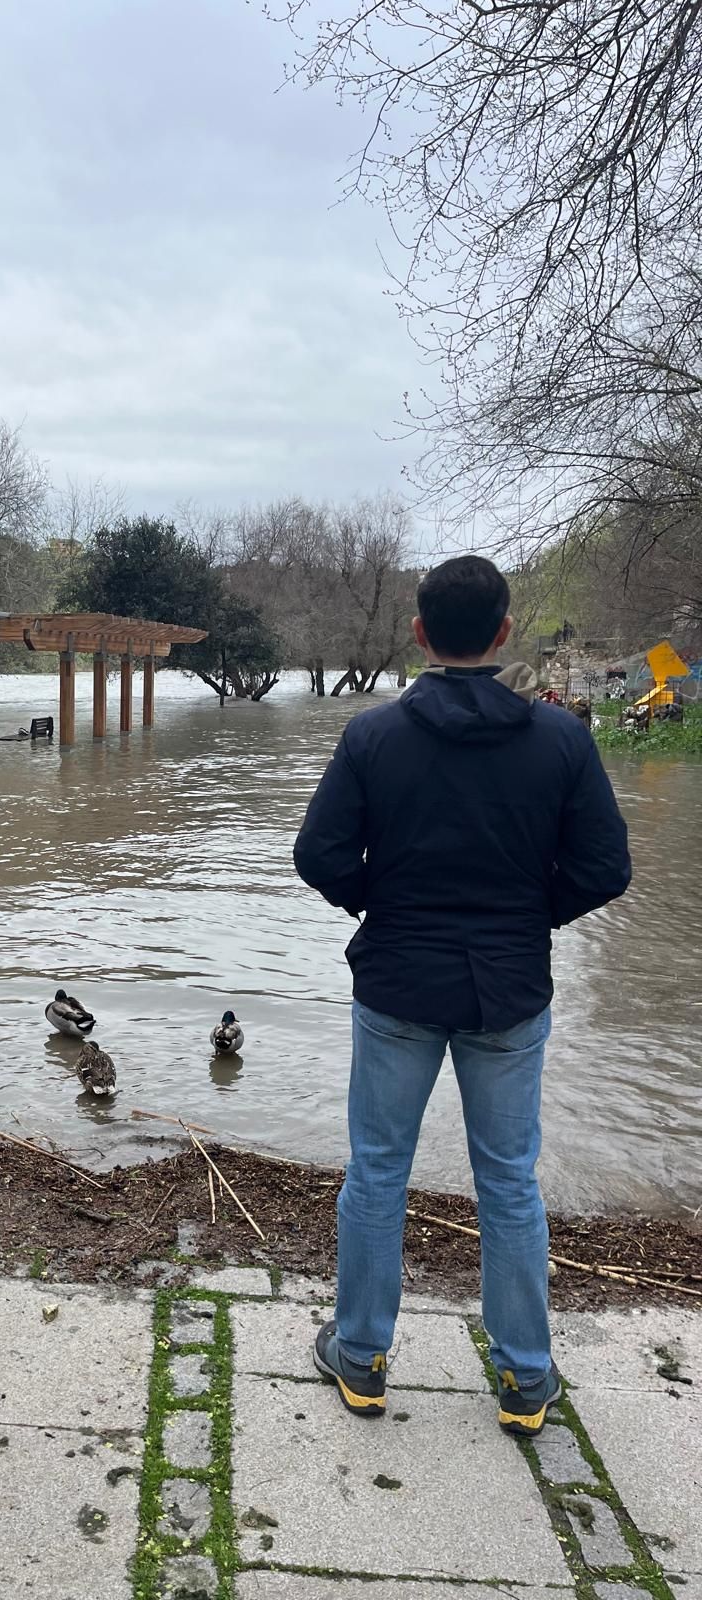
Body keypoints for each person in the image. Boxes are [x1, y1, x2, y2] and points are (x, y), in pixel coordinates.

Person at [293, 555, 630, 1436]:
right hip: (510, 987)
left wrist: (382, 902)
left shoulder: (375, 737)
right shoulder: (562, 739)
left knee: (377, 1170)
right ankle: (525, 1376)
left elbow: (318, 856)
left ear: (418, 633)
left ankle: (361, 1357)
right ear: (506, 632)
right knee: (509, 1182)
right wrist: (531, 916)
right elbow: (605, 868)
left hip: (401, 979)